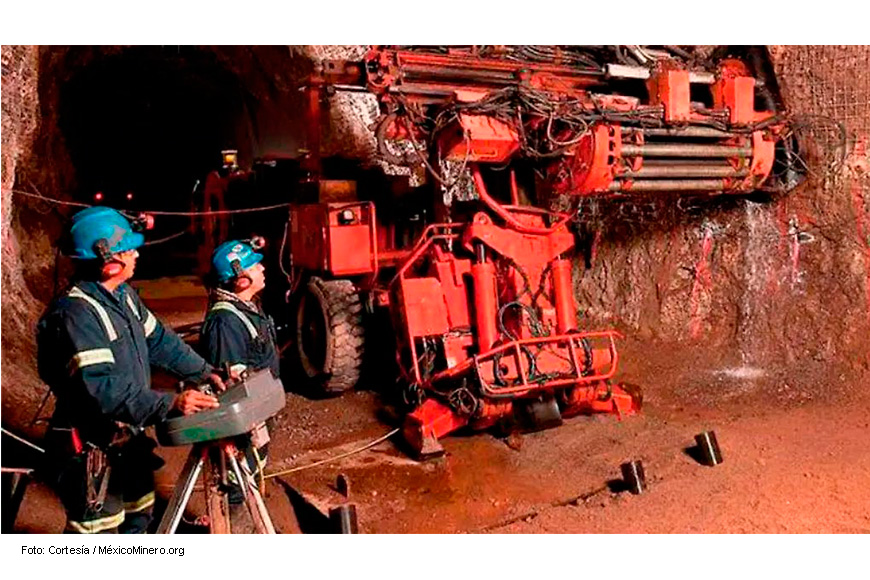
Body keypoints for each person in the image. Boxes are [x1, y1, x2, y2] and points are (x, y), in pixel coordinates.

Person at [36, 206, 226, 534]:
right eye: (129, 249)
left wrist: (204, 371)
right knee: (98, 537)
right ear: (109, 262)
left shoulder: (123, 297)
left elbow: (161, 342)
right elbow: (103, 389)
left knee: (138, 520)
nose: (137, 254)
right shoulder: (77, 315)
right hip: (91, 453)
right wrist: (169, 403)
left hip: (127, 443)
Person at [199, 238, 280, 479]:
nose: (262, 268)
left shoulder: (247, 308)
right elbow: (230, 387)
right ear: (240, 280)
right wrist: (233, 436)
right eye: (255, 266)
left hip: (257, 413)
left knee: (254, 471)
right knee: (237, 481)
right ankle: (236, 511)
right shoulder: (225, 322)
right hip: (242, 425)